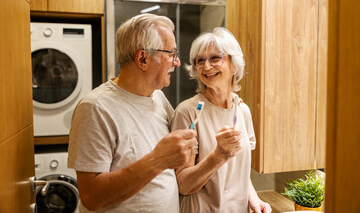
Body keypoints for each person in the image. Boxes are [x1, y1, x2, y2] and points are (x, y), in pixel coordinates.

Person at [68, 13, 197, 213]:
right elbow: (91, 196)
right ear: (143, 58)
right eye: (171, 54)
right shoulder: (95, 108)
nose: (177, 62)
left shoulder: (158, 98)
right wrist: (158, 160)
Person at [171, 27, 272, 213]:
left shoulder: (242, 110)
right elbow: (183, 184)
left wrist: (254, 199)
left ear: (234, 64)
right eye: (199, 61)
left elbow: (238, 170)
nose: (206, 67)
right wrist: (219, 155)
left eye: (215, 58)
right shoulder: (188, 112)